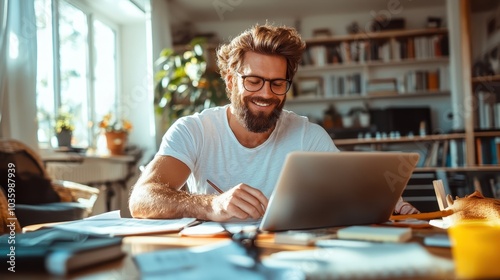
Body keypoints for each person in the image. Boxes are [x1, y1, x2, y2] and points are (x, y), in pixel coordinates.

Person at [129, 23, 418, 222]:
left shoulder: (308, 135)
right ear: (231, 81)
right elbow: (142, 198)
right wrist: (210, 204)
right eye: (254, 81)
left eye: (277, 83)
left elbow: (348, 192)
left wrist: (385, 202)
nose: (266, 94)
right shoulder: (194, 130)